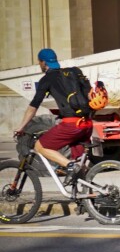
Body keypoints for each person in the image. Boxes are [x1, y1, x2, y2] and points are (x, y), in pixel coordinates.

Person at [13, 48, 93, 180]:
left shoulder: (47, 79)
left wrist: (21, 127)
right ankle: (88, 195)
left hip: (71, 125)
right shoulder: (73, 73)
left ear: (43, 63)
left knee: (40, 147)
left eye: (39, 62)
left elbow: (34, 106)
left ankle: (70, 166)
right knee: (79, 165)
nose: (40, 65)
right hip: (87, 124)